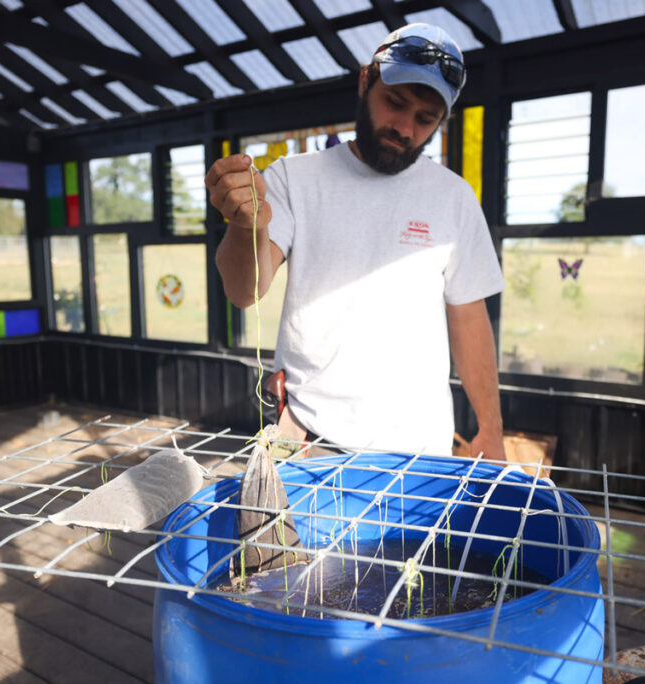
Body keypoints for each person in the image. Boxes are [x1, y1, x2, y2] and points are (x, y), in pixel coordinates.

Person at [207, 23, 506, 460]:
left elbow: (469, 318)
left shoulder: (454, 196)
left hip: (422, 451)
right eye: (395, 102)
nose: (405, 127)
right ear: (366, 80)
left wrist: (491, 430)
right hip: (310, 439)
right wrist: (244, 225)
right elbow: (243, 290)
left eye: (425, 119)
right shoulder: (294, 177)